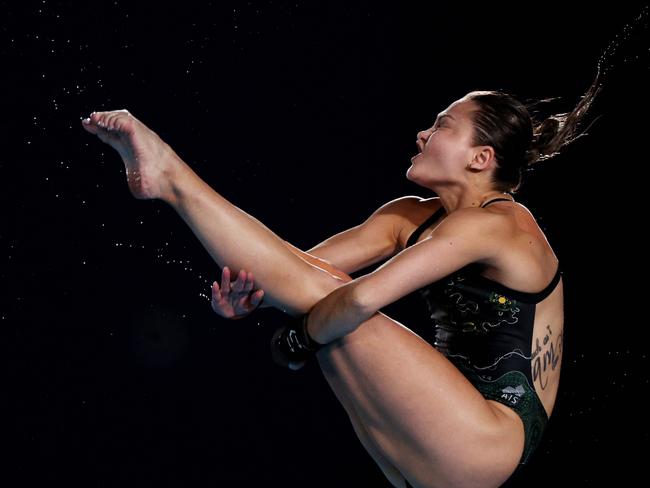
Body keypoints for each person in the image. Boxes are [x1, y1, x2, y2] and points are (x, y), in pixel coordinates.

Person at [81, 73, 600, 486]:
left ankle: (170, 176)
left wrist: (298, 335)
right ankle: (168, 183)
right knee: (319, 290)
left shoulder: (500, 224)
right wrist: (254, 298)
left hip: (483, 442)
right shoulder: (410, 216)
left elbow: (361, 297)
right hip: (429, 437)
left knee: (335, 304)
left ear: (480, 158)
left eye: (442, 125)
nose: (422, 133)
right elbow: (293, 269)